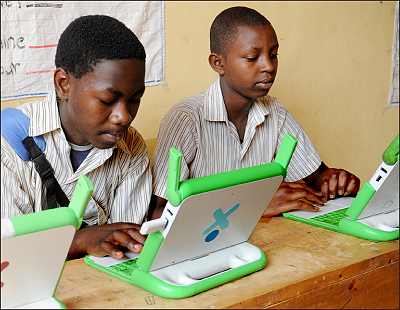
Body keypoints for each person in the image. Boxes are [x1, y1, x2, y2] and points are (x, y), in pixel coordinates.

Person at [149, 6, 360, 220]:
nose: (268, 66)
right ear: (218, 63)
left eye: (274, 54)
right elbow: (158, 214)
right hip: (208, 247)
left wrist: (334, 180)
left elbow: (317, 175)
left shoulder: (275, 111)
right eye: (252, 58)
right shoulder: (185, 119)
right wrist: (253, 204)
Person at [1, 15, 151, 260]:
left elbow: (123, 245)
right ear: (63, 85)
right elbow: (8, 254)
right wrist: (80, 241)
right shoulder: (7, 142)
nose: (123, 117)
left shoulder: (131, 146)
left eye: (135, 99)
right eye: (106, 100)